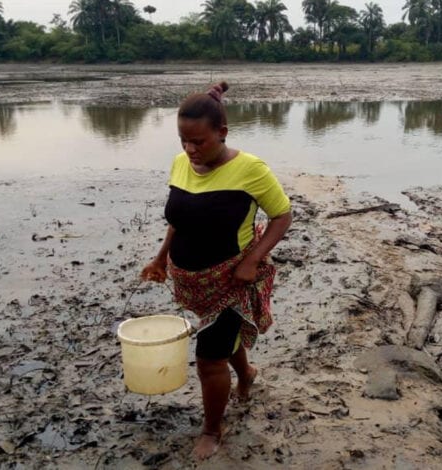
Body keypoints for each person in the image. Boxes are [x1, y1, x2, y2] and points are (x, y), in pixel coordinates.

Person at [140, 82, 293, 460]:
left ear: (222, 132)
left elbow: (282, 216)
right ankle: (247, 374)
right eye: (183, 141)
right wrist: (160, 259)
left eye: (199, 142)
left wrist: (252, 261)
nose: (190, 150)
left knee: (209, 359)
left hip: (230, 280)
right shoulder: (181, 164)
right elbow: (180, 219)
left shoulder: (250, 169)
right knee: (221, 338)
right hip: (192, 282)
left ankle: (212, 430)